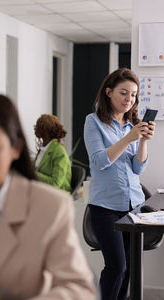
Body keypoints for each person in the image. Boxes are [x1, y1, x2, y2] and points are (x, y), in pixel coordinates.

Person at [0, 94, 96, 300]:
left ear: (16, 148)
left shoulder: (50, 206)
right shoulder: (44, 150)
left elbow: (80, 290)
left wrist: (35, 170)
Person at [84, 68, 156, 300]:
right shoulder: (93, 122)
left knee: (130, 271)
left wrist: (143, 141)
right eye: (124, 93)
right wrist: (129, 139)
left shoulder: (132, 124)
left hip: (133, 205)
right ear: (108, 92)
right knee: (117, 267)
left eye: (134, 95)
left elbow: (138, 168)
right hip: (105, 207)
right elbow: (99, 162)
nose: (129, 99)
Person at [34, 114, 72, 193]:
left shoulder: (59, 152)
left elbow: (55, 183)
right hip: (41, 192)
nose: (35, 129)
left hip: (58, 196)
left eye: (37, 126)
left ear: (44, 130)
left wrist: (34, 174)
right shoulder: (43, 149)